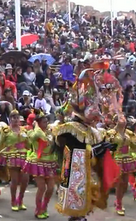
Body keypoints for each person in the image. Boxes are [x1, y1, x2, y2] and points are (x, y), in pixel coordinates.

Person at [52, 68, 117, 221]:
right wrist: (95, 151)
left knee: (89, 195)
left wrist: (104, 149)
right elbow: (73, 152)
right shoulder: (70, 129)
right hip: (74, 174)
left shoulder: (90, 130)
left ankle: (80, 216)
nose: (96, 118)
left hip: (87, 172)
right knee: (77, 200)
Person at [23, 111, 57, 219]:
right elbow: (30, 140)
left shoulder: (50, 132)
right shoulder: (35, 132)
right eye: (43, 122)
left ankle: (44, 207)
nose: (46, 124)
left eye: (47, 121)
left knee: (51, 188)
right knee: (41, 188)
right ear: (38, 123)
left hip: (50, 161)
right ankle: (38, 209)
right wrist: (36, 129)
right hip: (38, 162)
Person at [0, 110, 30, 211]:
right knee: (14, 180)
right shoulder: (6, 131)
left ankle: (20, 200)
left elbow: (28, 144)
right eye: (13, 118)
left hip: (24, 156)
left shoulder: (24, 130)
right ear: (10, 120)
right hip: (12, 156)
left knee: (25, 180)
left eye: (17, 118)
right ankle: (13, 200)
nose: (15, 120)